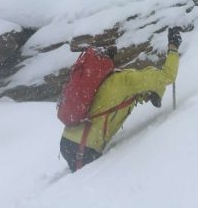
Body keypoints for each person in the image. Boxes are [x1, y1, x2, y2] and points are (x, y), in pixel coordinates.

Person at [59, 27, 182, 171]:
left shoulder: (102, 82)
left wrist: (147, 94)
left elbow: (117, 100)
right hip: (85, 148)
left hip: (68, 141)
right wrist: (173, 47)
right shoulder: (126, 80)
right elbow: (167, 76)